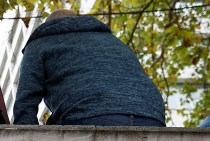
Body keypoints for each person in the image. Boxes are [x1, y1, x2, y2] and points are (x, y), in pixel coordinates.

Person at [14, 9, 166, 126]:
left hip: (90, 116)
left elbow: (26, 99)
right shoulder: (114, 41)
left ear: (47, 26)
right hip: (152, 116)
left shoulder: (40, 43)